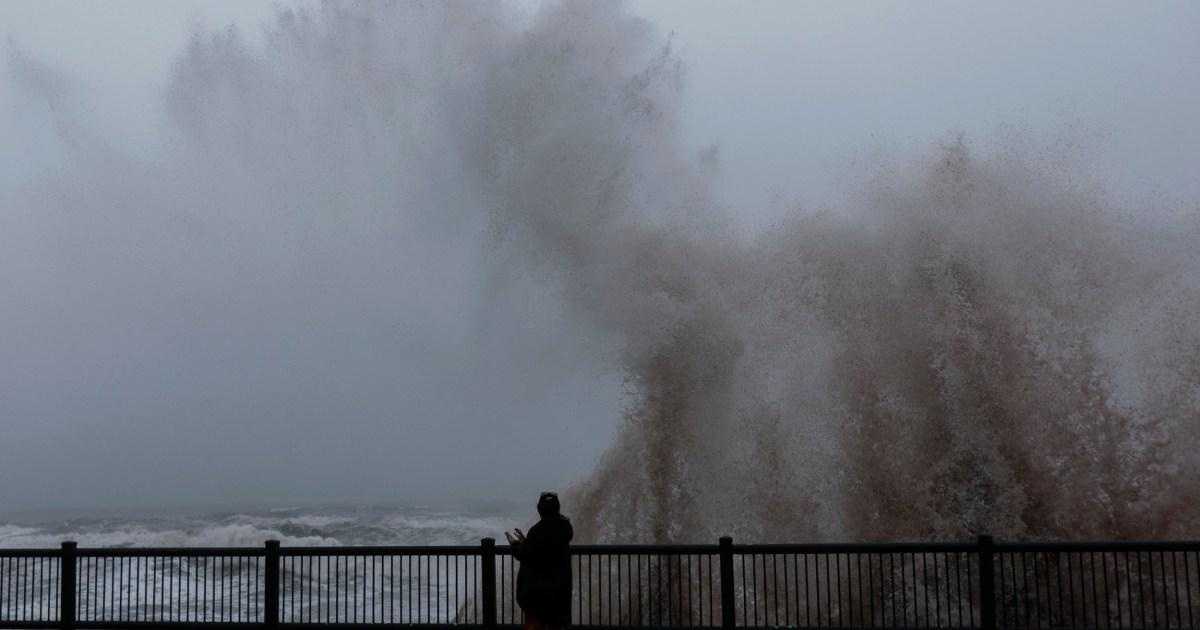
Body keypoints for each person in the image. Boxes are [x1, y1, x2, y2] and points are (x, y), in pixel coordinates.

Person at [506, 491, 573, 630]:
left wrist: (515, 544)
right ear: (557, 507)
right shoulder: (564, 528)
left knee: (535, 625)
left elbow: (527, 555)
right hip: (560, 591)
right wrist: (527, 541)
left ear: (540, 509)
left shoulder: (538, 531)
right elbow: (544, 549)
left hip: (538, 595)